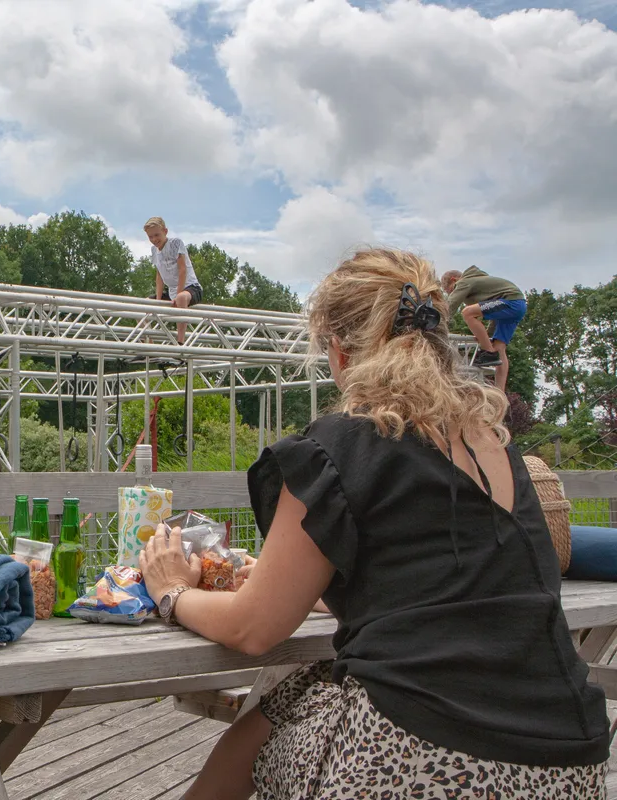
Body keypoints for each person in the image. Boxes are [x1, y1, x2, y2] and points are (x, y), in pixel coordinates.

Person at [141, 248, 608, 800]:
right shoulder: (496, 448)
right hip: (569, 760)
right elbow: (436, 579)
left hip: (426, 761)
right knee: (300, 691)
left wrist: (172, 592)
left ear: (340, 351)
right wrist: (307, 589)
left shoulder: (338, 447)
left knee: (268, 722)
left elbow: (253, 629)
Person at [442, 265, 526, 393]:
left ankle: (489, 353)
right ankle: (500, 393)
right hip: (517, 305)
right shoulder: (483, 286)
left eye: (450, 291)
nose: (452, 294)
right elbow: (495, 314)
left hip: (511, 302)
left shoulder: (464, 281)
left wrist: (438, 323)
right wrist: (485, 336)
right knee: (499, 348)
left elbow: (450, 305)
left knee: (467, 313)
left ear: (454, 280)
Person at [144, 216, 203, 344]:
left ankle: (180, 342)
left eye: (157, 235)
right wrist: (158, 300)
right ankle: (150, 343)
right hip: (171, 291)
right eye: (150, 237)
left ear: (165, 231)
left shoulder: (176, 243)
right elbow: (159, 276)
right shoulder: (154, 250)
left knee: (181, 298)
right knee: (145, 304)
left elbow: (182, 270)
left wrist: (178, 294)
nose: (154, 239)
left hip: (190, 287)